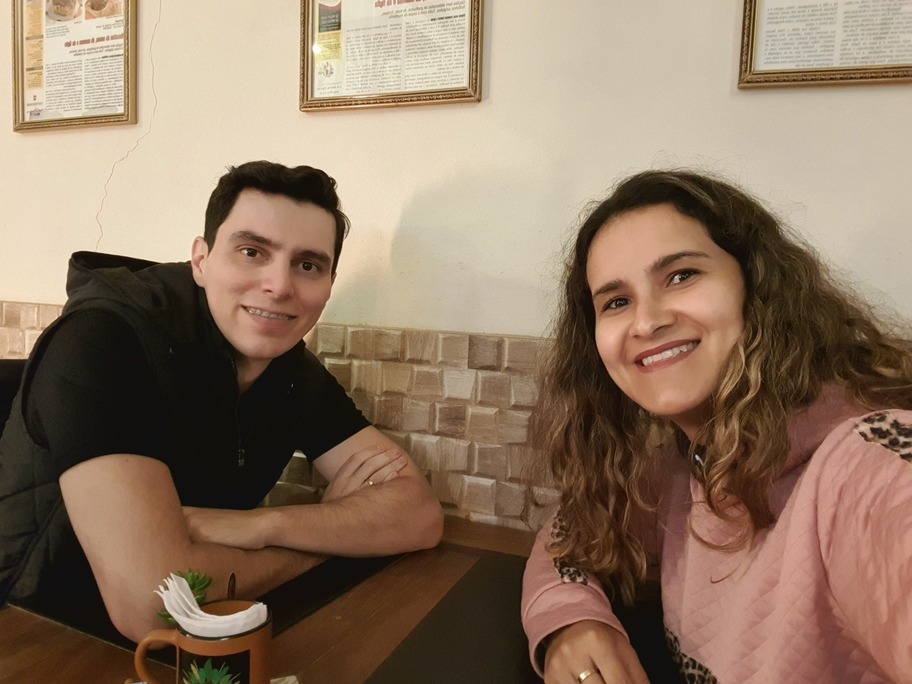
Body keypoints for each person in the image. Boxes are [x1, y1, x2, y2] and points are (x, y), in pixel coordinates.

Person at [0, 160, 443, 643]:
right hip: (34, 630)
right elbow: (155, 603)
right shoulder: (105, 340)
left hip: (199, 638)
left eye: (308, 265)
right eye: (252, 252)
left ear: (329, 284)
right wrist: (328, 541)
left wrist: (261, 525)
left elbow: (419, 514)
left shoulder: (292, 371)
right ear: (201, 260)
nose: (279, 286)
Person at [521, 170, 912, 683]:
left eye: (681, 275)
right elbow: (570, 535)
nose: (646, 322)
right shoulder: (685, 464)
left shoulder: (865, 461)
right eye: (616, 302)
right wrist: (572, 623)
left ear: (757, 286)